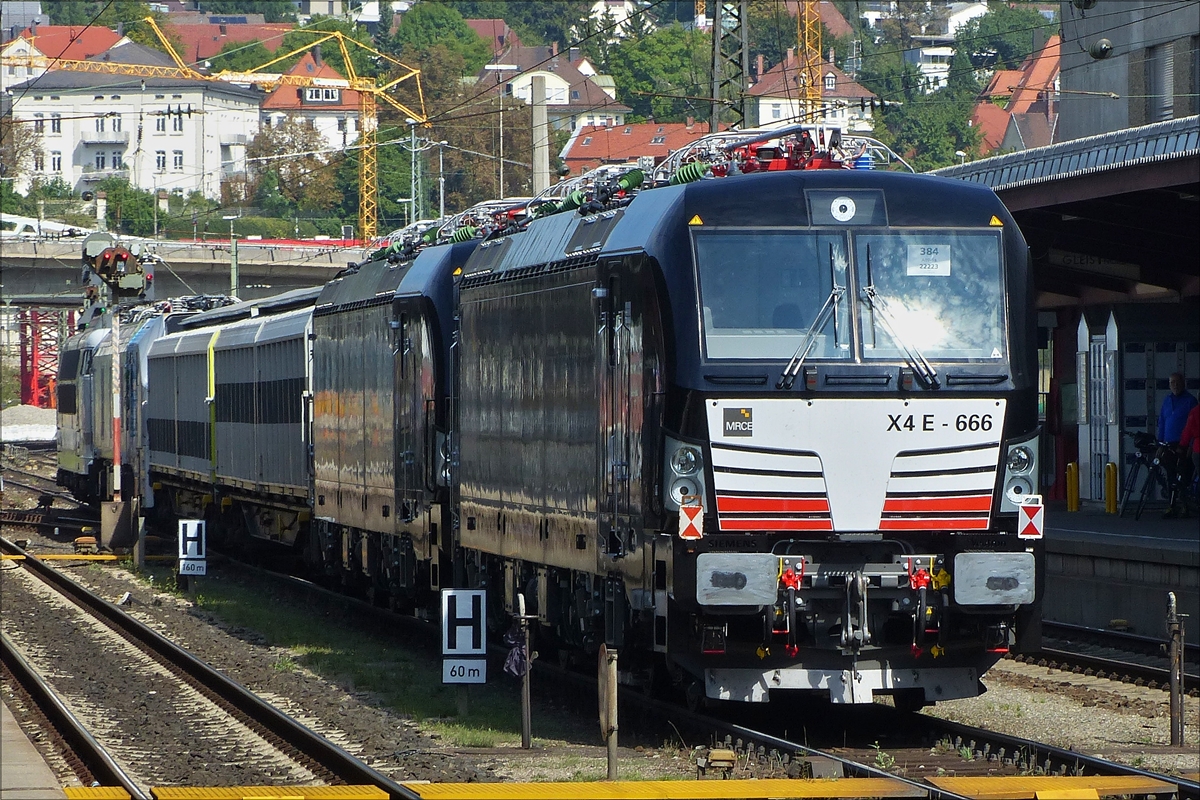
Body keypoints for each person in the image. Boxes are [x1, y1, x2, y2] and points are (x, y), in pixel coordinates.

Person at [1158, 372, 1197, 444]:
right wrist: (1160, 441)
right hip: (1167, 444)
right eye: (1172, 382)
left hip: (1183, 445)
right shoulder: (1167, 400)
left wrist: (1191, 446)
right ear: (1169, 385)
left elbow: (1195, 425)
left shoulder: (1191, 401)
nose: (1175, 385)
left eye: (1178, 382)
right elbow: (1162, 422)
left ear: (1183, 383)